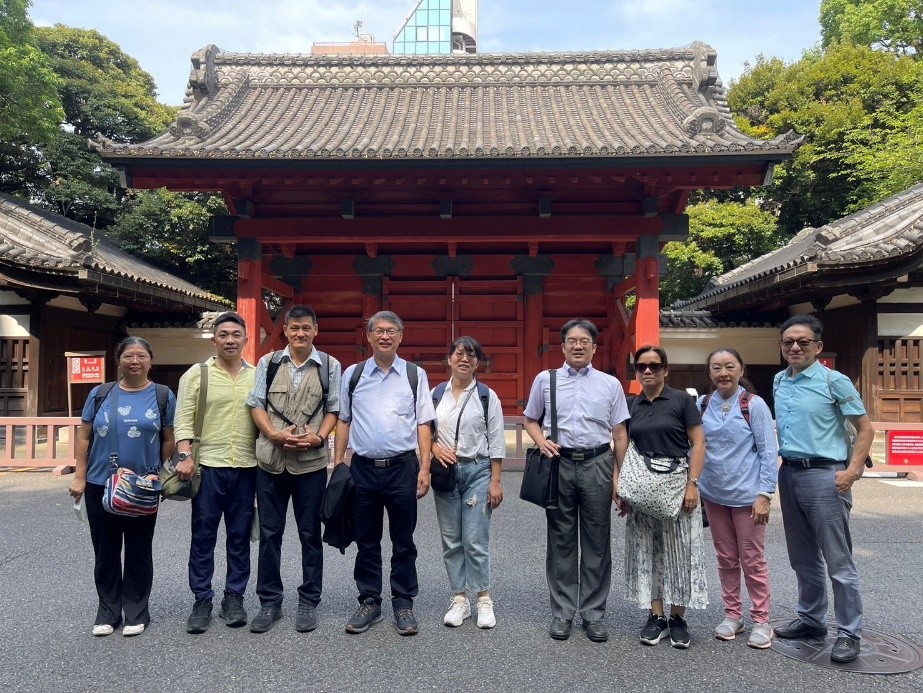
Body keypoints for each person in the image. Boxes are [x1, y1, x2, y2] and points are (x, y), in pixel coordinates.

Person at [772, 315, 873, 664]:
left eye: (802, 342)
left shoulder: (835, 381)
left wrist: (852, 471)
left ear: (817, 346)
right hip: (790, 473)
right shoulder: (779, 380)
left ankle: (849, 632)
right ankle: (812, 619)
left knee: (838, 560)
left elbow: (864, 429)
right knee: (802, 557)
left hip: (826, 475)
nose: (795, 347)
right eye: (788, 342)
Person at [523, 319, 629, 643]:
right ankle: (563, 612)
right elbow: (530, 420)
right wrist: (541, 441)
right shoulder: (546, 380)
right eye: (572, 340)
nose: (578, 345)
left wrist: (619, 478)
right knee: (561, 540)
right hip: (560, 464)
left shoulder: (610, 385)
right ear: (563, 346)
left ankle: (594, 613)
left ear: (595, 347)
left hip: (598, 461)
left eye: (585, 341)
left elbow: (620, 434)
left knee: (597, 540)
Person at [334, 311, 435, 636]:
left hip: (402, 468)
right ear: (369, 336)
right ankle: (370, 601)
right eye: (378, 331)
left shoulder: (414, 375)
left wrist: (425, 467)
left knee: (403, 540)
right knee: (367, 540)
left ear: (401, 336)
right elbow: (344, 421)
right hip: (363, 469)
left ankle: (403, 603)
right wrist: (337, 465)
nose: (385, 336)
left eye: (391, 331)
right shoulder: (354, 374)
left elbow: (423, 424)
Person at [68, 337, 176, 637]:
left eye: (141, 356)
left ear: (150, 361)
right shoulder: (100, 394)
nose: (135, 361)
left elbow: (169, 438)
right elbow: (84, 437)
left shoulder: (163, 395)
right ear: (119, 360)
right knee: (105, 549)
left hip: (142, 486)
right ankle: (107, 611)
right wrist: (79, 475)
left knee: (139, 549)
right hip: (100, 484)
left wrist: (159, 472)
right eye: (129, 355)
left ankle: (137, 612)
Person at [245, 305, 342, 633]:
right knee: (270, 534)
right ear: (285, 330)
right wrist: (272, 433)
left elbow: (334, 409)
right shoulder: (268, 363)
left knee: (309, 534)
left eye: (306, 328)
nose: (300, 333)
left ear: (316, 330)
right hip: (271, 461)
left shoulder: (329, 365)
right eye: (294, 328)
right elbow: (256, 404)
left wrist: (319, 438)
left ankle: (308, 600)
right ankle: (269, 601)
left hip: (310, 465)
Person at [174, 311, 257, 634]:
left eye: (236, 335)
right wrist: (184, 454)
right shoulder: (198, 375)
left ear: (246, 340)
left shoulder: (256, 375)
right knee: (203, 536)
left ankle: (234, 597)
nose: (230, 340)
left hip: (247, 467)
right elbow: (183, 418)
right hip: (207, 466)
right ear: (214, 340)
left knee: (240, 537)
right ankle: (202, 599)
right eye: (223, 335)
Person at [623, 345, 707, 649]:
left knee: (681, 552)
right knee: (649, 551)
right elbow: (623, 445)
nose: (648, 371)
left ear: (665, 370)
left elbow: (698, 443)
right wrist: (624, 489)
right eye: (641, 366)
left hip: (677, 484)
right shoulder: (631, 405)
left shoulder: (682, 400)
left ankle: (678, 617)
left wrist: (692, 484)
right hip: (644, 489)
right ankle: (656, 615)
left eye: (655, 366)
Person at [698, 348, 778, 649]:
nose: (723, 373)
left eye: (729, 366)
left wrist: (765, 494)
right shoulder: (703, 404)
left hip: (747, 495)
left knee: (753, 560)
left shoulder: (754, 405)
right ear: (710, 373)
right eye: (717, 368)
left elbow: (769, 451)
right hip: (714, 494)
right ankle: (733, 614)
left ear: (741, 369)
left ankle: (761, 619)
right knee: (726, 558)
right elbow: (696, 447)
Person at [430, 336, 505, 630]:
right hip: (446, 471)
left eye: (471, 355)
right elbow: (422, 431)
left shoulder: (487, 396)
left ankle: (483, 598)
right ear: (448, 359)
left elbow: (497, 440)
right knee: (451, 540)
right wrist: (435, 449)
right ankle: (459, 598)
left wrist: (496, 481)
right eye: (459, 354)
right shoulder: (436, 394)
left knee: (475, 539)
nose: (464, 359)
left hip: (477, 470)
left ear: (478, 362)